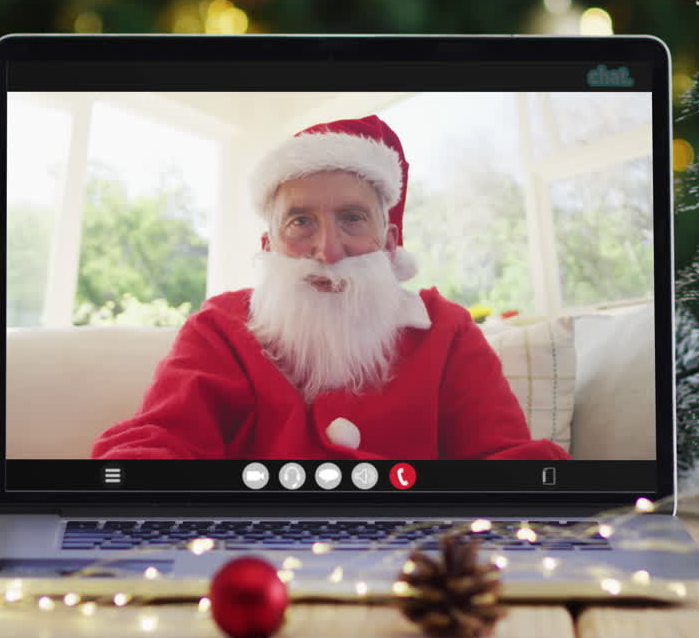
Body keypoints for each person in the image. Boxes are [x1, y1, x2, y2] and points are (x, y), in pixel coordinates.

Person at [91, 115, 571, 461]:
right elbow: (156, 442)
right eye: (300, 221)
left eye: (352, 219)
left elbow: (506, 460)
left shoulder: (447, 330)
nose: (328, 250)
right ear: (269, 244)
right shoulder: (219, 327)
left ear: (389, 242)